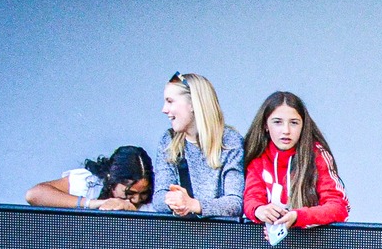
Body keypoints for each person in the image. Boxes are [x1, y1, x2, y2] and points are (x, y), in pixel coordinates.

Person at [243, 91, 350, 231]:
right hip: (268, 248)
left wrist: (298, 217)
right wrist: (258, 210)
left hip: (314, 246)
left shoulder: (317, 154)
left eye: (294, 123)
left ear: (303, 125)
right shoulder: (258, 155)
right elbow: (251, 198)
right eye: (277, 122)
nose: (286, 130)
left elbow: (339, 208)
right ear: (265, 125)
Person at [150, 72, 244, 219]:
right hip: (181, 235)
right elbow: (158, 198)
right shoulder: (169, 140)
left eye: (170, 101)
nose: (164, 109)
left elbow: (235, 203)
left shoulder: (230, 141)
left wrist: (194, 205)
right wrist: (174, 201)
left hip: (222, 237)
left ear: (193, 104)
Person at [24, 146, 154, 211]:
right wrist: (94, 204)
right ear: (111, 180)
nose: (136, 199)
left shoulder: (154, 201)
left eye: (143, 194)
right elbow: (34, 195)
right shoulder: (89, 184)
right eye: (129, 193)